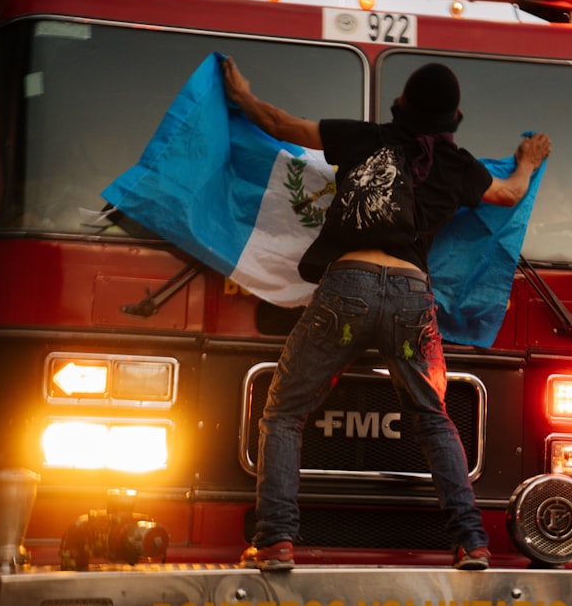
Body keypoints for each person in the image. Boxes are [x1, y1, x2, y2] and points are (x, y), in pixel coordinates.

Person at [223, 57, 552, 571]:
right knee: (433, 418)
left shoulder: (364, 137)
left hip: (346, 289)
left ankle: (276, 542)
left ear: (401, 103)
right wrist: (527, 159)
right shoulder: (459, 166)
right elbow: (508, 195)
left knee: (284, 412)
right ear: (454, 117)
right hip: (410, 300)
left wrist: (242, 95)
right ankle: (471, 542)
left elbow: (282, 126)